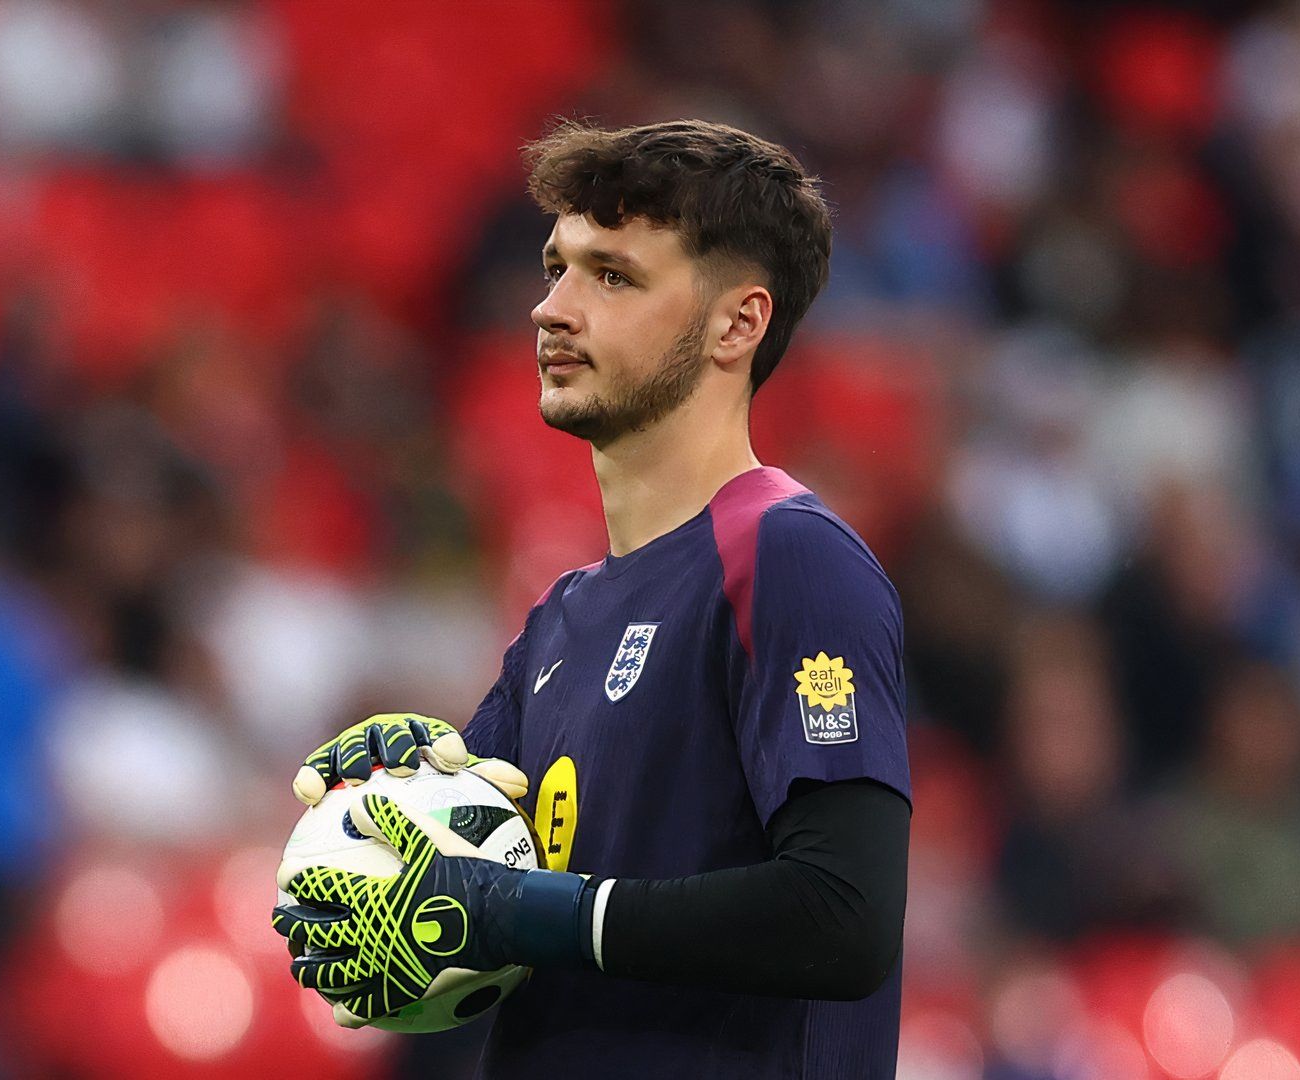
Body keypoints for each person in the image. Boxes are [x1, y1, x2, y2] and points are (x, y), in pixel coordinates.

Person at [272, 119, 910, 1079]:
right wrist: (395, 818)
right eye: (554, 267)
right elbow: (465, 923)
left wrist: (532, 911)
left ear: (738, 324)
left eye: (612, 276)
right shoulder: (558, 621)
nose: (551, 309)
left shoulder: (788, 559)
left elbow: (844, 916)